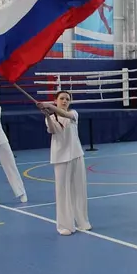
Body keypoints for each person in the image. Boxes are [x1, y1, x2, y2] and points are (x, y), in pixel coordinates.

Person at [37, 91, 91, 236]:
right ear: (56, 100)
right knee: (62, 192)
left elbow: (67, 115)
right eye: (61, 98)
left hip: (76, 154)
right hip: (60, 157)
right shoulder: (52, 117)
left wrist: (49, 106)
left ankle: (82, 221)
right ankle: (65, 225)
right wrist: (47, 115)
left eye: (67, 99)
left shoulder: (73, 113)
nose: (64, 101)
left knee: (79, 189)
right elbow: (53, 130)